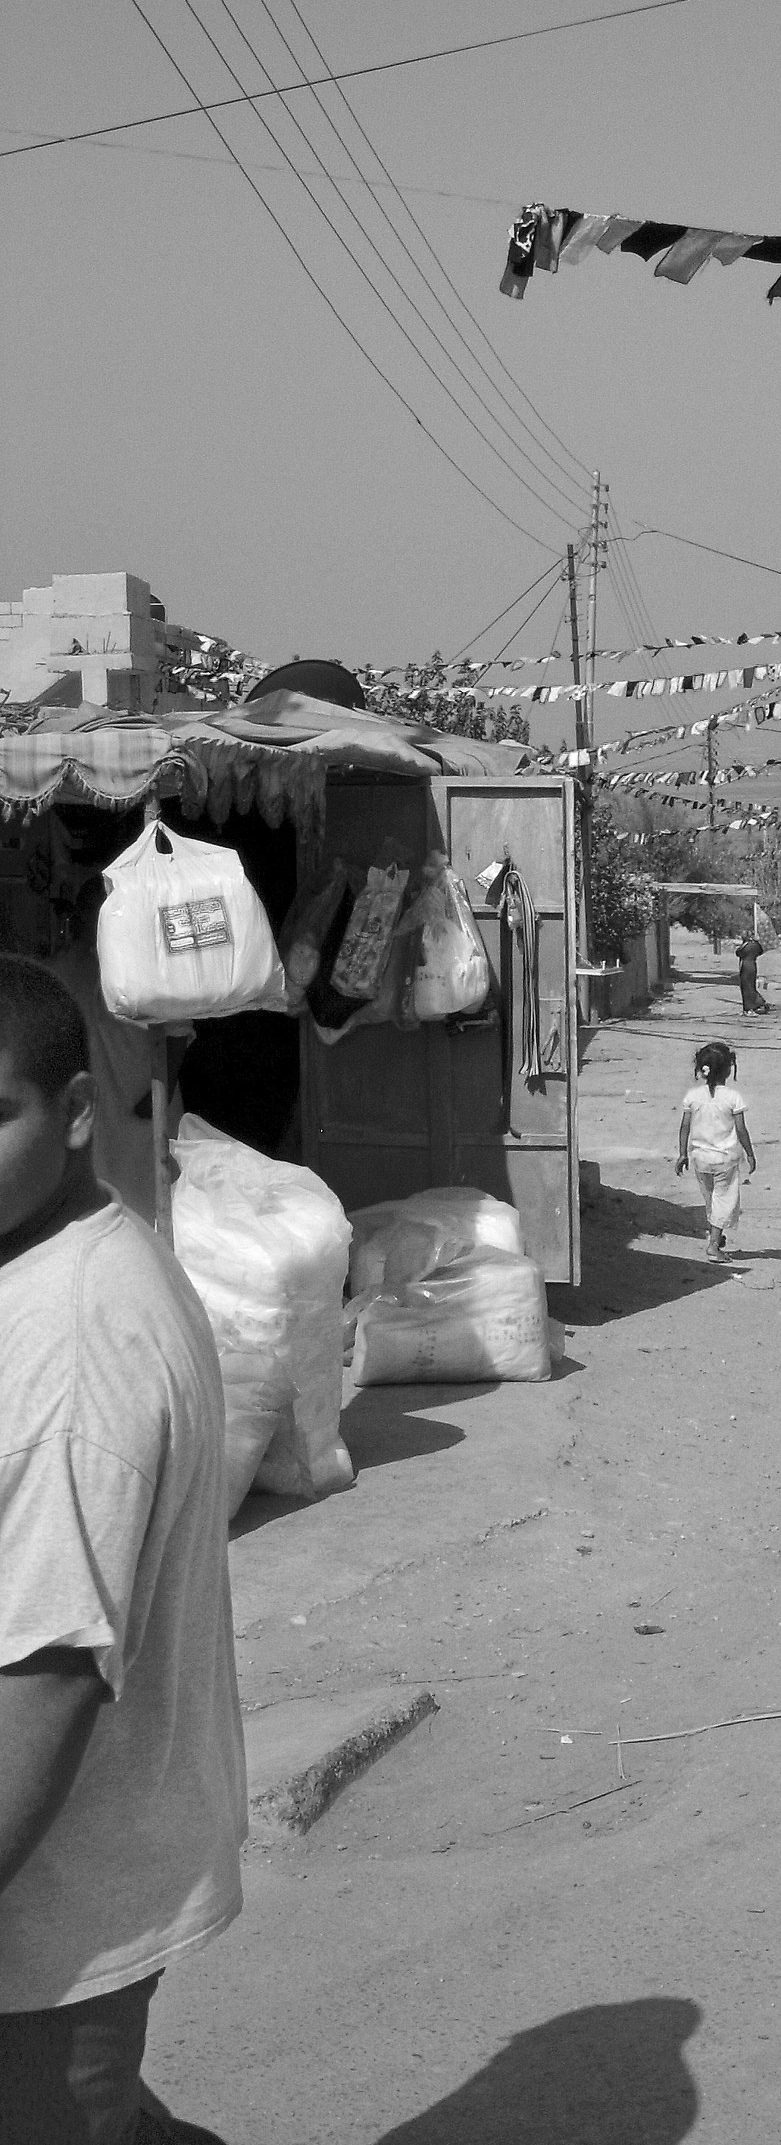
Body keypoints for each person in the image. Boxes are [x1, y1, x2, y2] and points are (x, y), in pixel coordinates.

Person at [0, 954, 246, 2145]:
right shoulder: (69, 1257)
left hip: (48, 1915)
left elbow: (42, 1688)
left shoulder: (77, 1346)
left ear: (80, 1114)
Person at [46, 872, 177, 1227]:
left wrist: (158, 1093)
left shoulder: (148, 965)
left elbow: (180, 1032)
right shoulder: (63, 967)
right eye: (92, 915)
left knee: (154, 1198)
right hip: (96, 1104)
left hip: (143, 1099)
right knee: (105, 1197)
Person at [675, 1040, 756, 1259]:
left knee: (710, 1199)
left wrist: (683, 1153)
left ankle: (715, 1234)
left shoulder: (692, 1096)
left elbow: (684, 1126)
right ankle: (713, 1245)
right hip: (725, 1160)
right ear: (728, 1070)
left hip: (700, 1159)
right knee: (724, 1200)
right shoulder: (732, 1097)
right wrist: (750, 1153)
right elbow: (741, 1129)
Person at [735, 930, 768, 1017]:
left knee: (746, 987)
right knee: (750, 985)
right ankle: (752, 1005)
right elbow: (760, 951)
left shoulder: (746, 945)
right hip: (753, 965)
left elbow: (738, 952)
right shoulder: (756, 945)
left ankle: (749, 1007)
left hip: (746, 966)